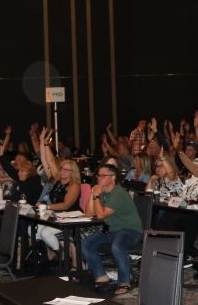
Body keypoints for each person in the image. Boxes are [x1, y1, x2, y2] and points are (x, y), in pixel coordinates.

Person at [81, 163, 142, 296]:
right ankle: (101, 276)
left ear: (113, 178)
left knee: (117, 246)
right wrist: (93, 194)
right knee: (86, 243)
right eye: (98, 175)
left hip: (130, 230)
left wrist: (96, 195)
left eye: (103, 176)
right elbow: (88, 214)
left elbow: (101, 215)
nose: (99, 178)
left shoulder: (118, 193)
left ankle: (125, 282)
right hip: (109, 228)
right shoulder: (102, 192)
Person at [36, 127, 80, 260]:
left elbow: (66, 205)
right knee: (35, 230)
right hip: (55, 215)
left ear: (73, 172)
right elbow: (49, 161)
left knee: (44, 232)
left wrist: (47, 207)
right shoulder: (58, 180)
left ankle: (62, 255)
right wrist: (44, 143)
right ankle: (58, 253)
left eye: (67, 170)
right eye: (62, 169)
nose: (63, 172)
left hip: (69, 217)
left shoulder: (74, 186)